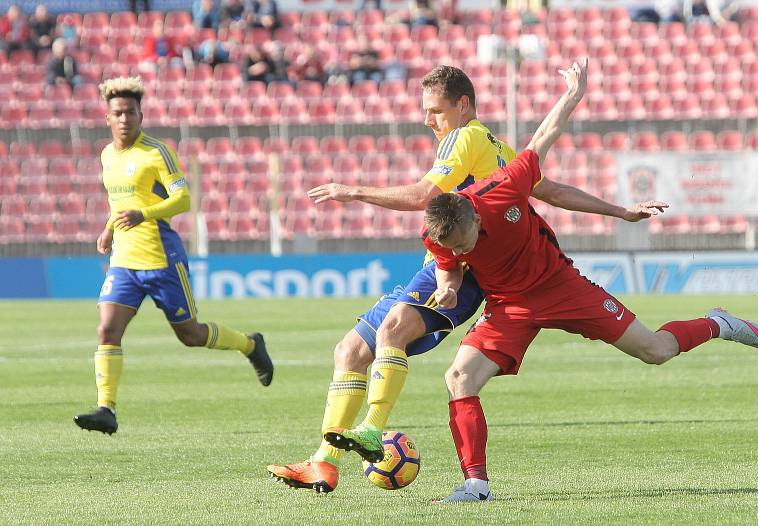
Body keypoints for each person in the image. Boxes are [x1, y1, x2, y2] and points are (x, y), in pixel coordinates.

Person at [268, 59, 607, 493]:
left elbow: (424, 196)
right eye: (425, 110)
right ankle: (324, 462)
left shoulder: (463, 138)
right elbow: (552, 191)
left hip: (462, 270)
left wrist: (353, 191)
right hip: (438, 265)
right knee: (350, 351)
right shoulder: (496, 147)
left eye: (436, 110)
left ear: (464, 105)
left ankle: (373, 428)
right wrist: (619, 211)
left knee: (393, 330)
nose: (428, 120)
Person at [420, 115, 758, 502]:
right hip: (509, 306)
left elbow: (543, 139)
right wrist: (448, 290)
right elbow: (448, 272)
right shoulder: (440, 233)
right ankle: (476, 486)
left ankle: (717, 323)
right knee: (459, 378)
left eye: (462, 242)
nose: (458, 251)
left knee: (656, 350)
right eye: (451, 246)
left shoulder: (504, 187)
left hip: (561, 287)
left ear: (473, 215)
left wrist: (572, 95)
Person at [73, 76, 273, 435]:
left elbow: (183, 198)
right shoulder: (106, 155)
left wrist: (144, 215)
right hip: (124, 261)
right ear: (107, 117)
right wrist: (108, 228)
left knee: (191, 335)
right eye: (117, 113)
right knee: (107, 329)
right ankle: (107, 408)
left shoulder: (156, 152)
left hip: (161, 257)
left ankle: (250, 344)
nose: (124, 119)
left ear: (141, 114)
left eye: (130, 112)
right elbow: (119, 202)